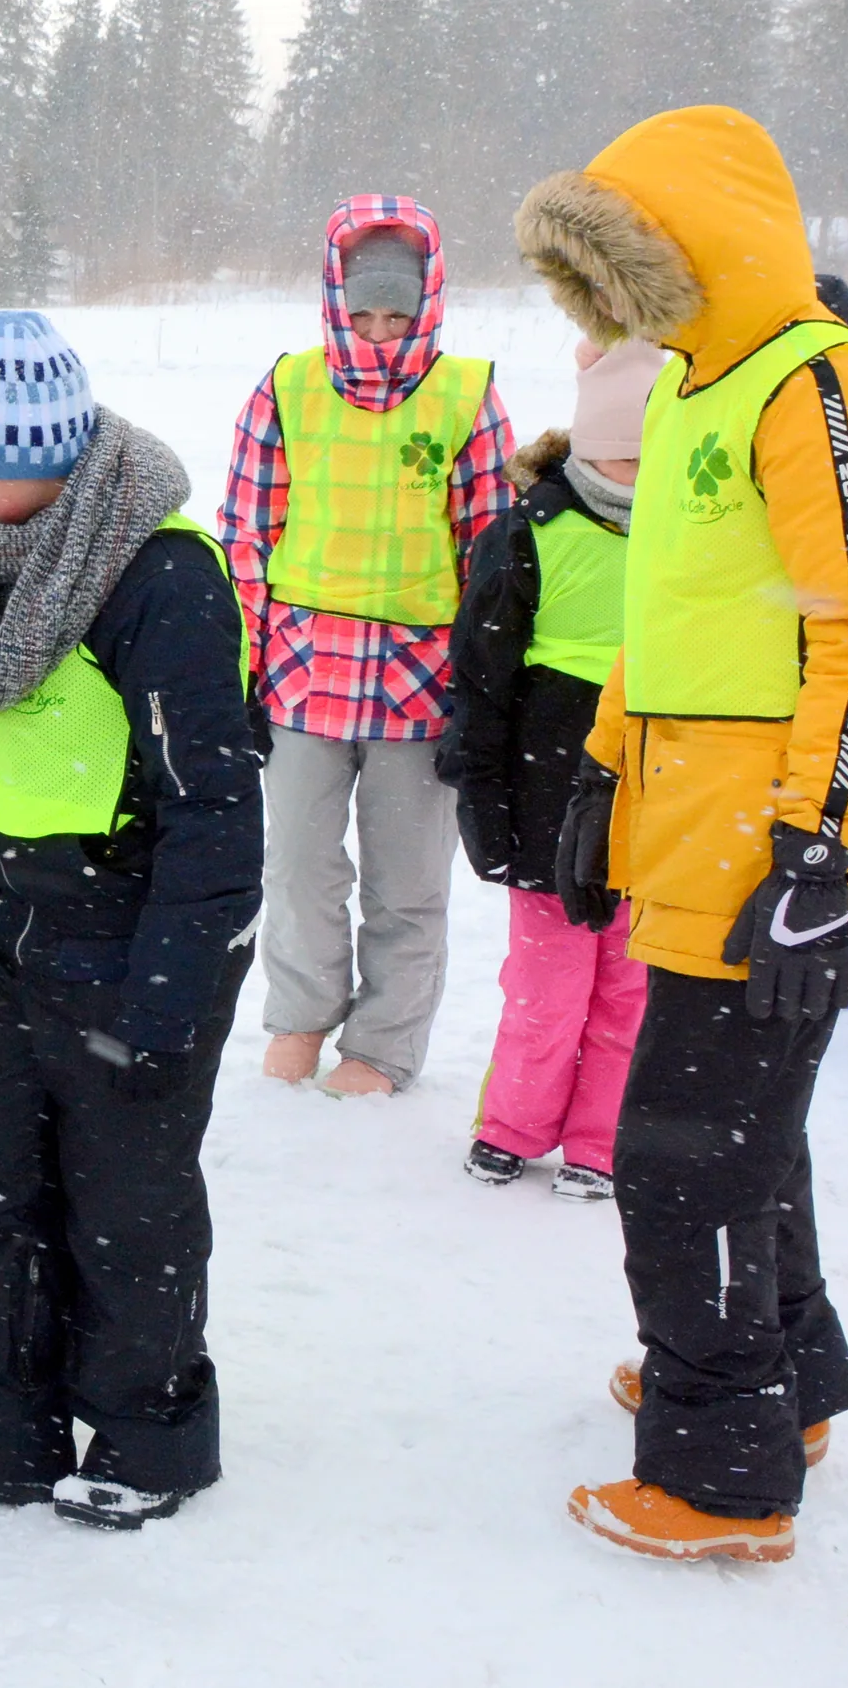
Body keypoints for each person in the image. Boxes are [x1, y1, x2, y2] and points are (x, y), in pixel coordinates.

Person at [519, 104, 848, 1562]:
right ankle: (776, 1381)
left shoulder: (828, 385)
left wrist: (821, 851)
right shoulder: (695, 388)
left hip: (777, 850)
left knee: (684, 1156)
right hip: (695, 835)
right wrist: (602, 774)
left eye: (626, 267)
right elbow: (670, 621)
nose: (612, 304)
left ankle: (719, 1474)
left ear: (702, 243)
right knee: (745, 1144)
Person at [0, 312, 263, 1531]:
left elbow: (212, 807)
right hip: (31, 931)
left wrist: (169, 994)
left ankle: (149, 1436)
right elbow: (13, 757)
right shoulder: (1, 552)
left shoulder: (161, 576)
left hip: (139, 937)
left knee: (126, 1211)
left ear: (29, 452)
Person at [220, 198, 514, 1096]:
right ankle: (302, 1015)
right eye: (364, 314)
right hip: (302, 673)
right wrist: (241, 667)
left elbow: (492, 553)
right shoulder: (288, 389)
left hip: (420, 684)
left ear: (428, 305)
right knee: (300, 867)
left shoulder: (466, 397)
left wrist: (485, 687)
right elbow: (246, 534)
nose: (380, 334)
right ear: (334, 303)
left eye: (397, 315)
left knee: (407, 883)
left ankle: (382, 1044)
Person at [440, 337, 665, 1201]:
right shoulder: (531, 532)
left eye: (650, 456)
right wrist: (483, 804)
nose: (636, 474)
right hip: (548, 802)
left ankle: (599, 1142)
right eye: (621, 455)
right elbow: (482, 681)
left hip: (648, 798)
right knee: (547, 987)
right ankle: (513, 1125)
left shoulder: (686, 532)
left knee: (627, 990)